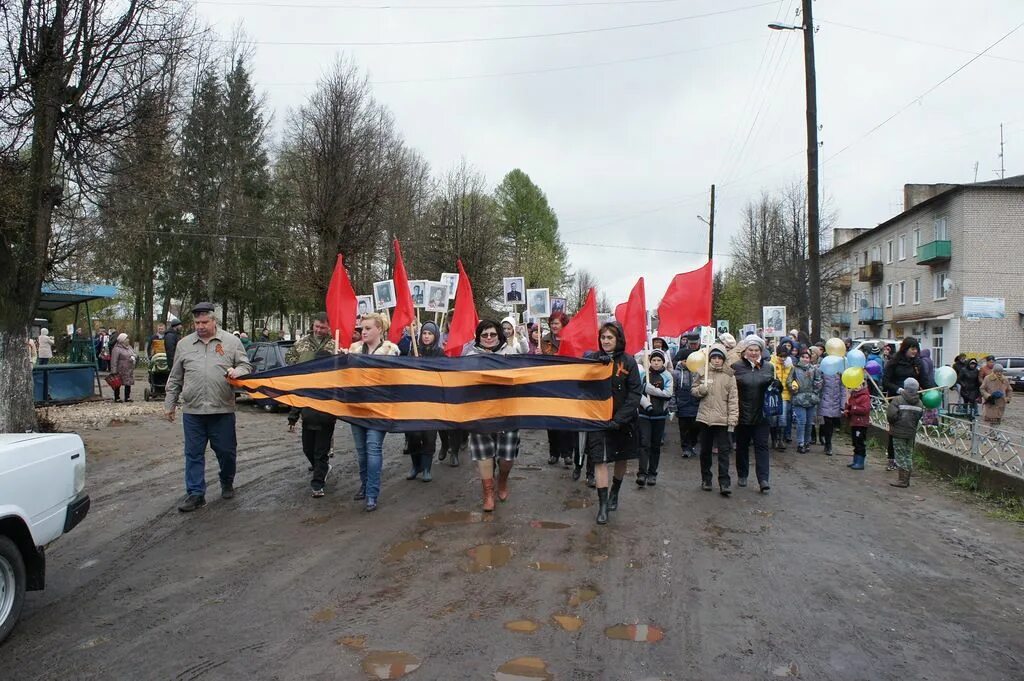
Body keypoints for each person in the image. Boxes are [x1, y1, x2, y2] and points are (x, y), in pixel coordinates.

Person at [164, 303, 252, 512]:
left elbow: (246, 365)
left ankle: (227, 481)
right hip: (193, 411)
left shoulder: (231, 342)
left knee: (226, 452)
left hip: (222, 409)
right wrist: (170, 403)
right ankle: (195, 494)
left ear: (214, 321)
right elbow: (176, 376)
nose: (200, 326)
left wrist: (238, 372)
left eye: (204, 322)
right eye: (197, 323)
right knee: (193, 454)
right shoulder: (184, 344)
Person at [583, 323, 641, 525]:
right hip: (597, 420)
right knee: (599, 460)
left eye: (610, 338)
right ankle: (602, 505)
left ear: (618, 339)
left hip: (622, 421)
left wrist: (619, 419)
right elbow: (579, 383)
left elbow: (635, 394)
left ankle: (615, 491)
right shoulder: (592, 360)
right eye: (603, 337)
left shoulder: (629, 362)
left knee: (620, 458)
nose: (605, 341)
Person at [464, 320, 521, 512]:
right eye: (484, 335)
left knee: (506, 458)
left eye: (493, 334)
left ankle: (502, 480)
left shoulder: (511, 354)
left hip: (508, 412)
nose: (489, 338)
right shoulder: (469, 356)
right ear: (479, 337)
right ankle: (488, 493)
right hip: (480, 413)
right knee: (484, 455)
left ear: (499, 336)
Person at [348, 313, 401, 511]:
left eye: (368, 328)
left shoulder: (391, 351)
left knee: (373, 450)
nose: (364, 332)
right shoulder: (353, 349)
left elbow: (395, 380)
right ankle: (364, 484)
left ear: (380, 329)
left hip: (378, 408)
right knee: (361, 453)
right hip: (356, 408)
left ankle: (372, 493)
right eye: (362, 328)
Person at [284, 313, 338, 497]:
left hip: (326, 410)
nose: (318, 330)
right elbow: (289, 358)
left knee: (321, 450)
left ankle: (318, 482)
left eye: (322, 327)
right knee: (308, 448)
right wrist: (299, 368)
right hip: (306, 402)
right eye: (316, 326)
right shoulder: (302, 343)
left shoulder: (335, 344)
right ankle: (320, 469)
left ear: (329, 328)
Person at [731, 336, 776, 493]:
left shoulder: (769, 367)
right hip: (742, 414)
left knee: (762, 447)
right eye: (750, 350)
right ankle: (742, 474)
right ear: (745, 351)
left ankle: (763, 479)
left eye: (756, 350)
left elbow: (774, 391)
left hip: (761, 414)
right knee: (742, 446)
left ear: (761, 352)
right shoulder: (736, 367)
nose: (753, 353)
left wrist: (777, 385)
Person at [693, 345, 738, 496]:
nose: (717, 360)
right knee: (705, 451)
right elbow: (693, 389)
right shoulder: (703, 372)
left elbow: (733, 399)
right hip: (705, 418)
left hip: (722, 420)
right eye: (714, 357)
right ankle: (706, 479)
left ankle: (724, 482)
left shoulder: (729, 376)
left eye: (719, 358)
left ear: (724, 359)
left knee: (724, 452)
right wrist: (700, 390)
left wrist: (732, 419)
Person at [882, 337, 933, 470]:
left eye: (916, 349)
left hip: (913, 401)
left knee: (909, 430)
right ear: (905, 348)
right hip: (897, 400)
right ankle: (892, 459)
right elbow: (885, 382)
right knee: (895, 430)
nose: (915, 351)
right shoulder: (893, 362)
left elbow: (924, 381)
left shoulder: (918, 363)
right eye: (912, 348)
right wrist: (898, 389)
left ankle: (906, 460)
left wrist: (934, 390)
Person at [405, 322, 443, 482]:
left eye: (430, 334)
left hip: (432, 401)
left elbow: (444, 375)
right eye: (424, 333)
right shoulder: (413, 351)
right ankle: (416, 466)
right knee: (413, 434)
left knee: (429, 435)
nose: (426, 336)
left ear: (435, 336)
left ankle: (427, 468)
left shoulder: (440, 353)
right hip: (413, 400)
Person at [636, 349, 673, 487]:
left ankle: (652, 473)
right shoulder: (643, 374)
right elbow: (637, 391)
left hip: (659, 416)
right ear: (649, 361)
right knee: (644, 443)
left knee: (655, 445)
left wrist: (651, 390)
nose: (656, 363)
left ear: (663, 362)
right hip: (644, 415)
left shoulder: (667, 376)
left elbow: (668, 393)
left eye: (659, 361)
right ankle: (642, 473)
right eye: (653, 360)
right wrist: (646, 404)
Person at [543, 312, 574, 466]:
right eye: (552, 323)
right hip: (550, 385)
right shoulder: (545, 339)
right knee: (552, 422)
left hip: (568, 386)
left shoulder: (571, 338)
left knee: (568, 422)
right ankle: (554, 452)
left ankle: (568, 453)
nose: (554, 326)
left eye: (557, 323)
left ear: (563, 324)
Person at [886, 378, 924, 488]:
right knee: (908, 455)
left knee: (900, 455)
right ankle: (907, 479)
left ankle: (902, 480)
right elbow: (918, 417)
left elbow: (891, 416)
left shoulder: (898, 400)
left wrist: (895, 423)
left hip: (898, 432)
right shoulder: (919, 403)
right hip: (911, 432)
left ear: (905, 387)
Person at [790, 347, 822, 453]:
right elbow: (789, 381)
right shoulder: (794, 369)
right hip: (799, 398)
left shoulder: (814, 369)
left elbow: (819, 381)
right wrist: (793, 388)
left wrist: (815, 392)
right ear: (800, 357)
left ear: (810, 358)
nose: (805, 359)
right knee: (801, 421)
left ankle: (807, 442)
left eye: (807, 357)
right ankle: (800, 443)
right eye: (803, 357)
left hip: (811, 398)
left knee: (809, 422)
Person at [672, 359, 701, 457]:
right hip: (682, 405)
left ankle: (692, 444)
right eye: (685, 360)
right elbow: (673, 389)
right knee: (684, 428)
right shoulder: (676, 373)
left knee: (696, 427)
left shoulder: (699, 371)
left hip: (696, 404)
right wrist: (673, 405)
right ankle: (686, 448)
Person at [769, 339, 794, 450]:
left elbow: (793, 379)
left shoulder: (790, 366)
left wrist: (794, 386)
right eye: (780, 356)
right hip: (774, 394)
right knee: (774, 419)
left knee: (783, 418)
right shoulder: (771, 365)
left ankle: (781, 439)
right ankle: (774, 439)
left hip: (785, 395)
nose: (783, 358)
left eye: (785, 356)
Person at [818, 362, 845, 456]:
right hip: (825, 401)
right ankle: (828, 444)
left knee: (831, 424)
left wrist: (842, 405)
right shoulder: (823, 372)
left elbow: (843, 389)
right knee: (827, 422)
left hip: (835, 402)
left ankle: (827, 440)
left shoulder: (840, 374)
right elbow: (818, 387)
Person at [844, 378, 872, 470]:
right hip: (854, 422)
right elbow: (849, 407)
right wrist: (847, 409)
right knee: (855, 442)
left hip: (861, 423)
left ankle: (860, 462)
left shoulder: (865, 396)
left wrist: (853, 408)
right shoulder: (853, 395)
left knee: (860, 442)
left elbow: (865, 409)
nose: (856, 387)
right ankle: (855, 460)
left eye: (858, 384)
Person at [109, 333, 138, 402]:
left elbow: (134, 353)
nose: (128, 340)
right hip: (120, 369)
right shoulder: (116, 349)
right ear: (122, 340)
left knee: (128, 383)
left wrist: (134, 356)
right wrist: (113, 371)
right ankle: (117, 397)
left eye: (127, 338)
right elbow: (114, 360)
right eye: (126, 339)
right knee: (117, 383)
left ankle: (127, 397)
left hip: (128, 369)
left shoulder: (129, 347)